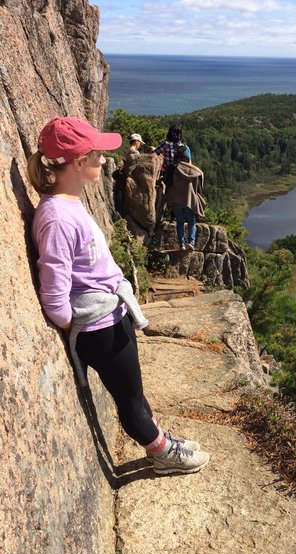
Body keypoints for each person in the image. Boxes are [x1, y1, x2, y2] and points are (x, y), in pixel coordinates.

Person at [28, 116, 210, 475]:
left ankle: (159, 437)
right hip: (98, 326)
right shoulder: (57, 218)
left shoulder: (67, 202)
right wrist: (74, 324)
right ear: (78, 162)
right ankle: (162, 455)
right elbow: (54, 294)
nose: (104, 160)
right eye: (96, 154)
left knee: (136, 391)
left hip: (110, 314)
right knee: (129, 400)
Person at [164, 145, 206, 251]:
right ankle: (191, 242)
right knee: (191, 220)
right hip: (190, 200)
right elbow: (199, 189)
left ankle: (181, 244)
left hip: (176, 199)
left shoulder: (172, 168)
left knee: (179, 222)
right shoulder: (195, 171)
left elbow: (167, 182)